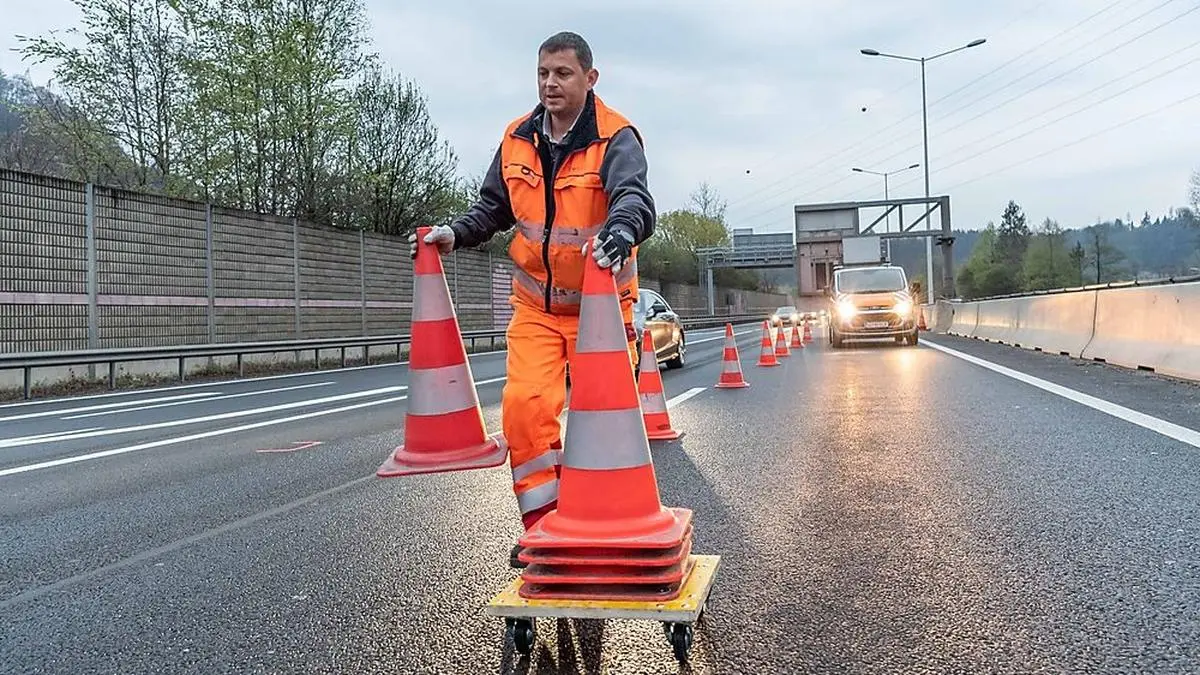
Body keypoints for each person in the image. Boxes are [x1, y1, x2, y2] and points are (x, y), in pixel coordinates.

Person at [409, 31, 656, 567]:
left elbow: (634, 199)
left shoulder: (616, 138)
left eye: (563, 73)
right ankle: (545, 529)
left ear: (590, 78)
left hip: (600, 314)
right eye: (543, 73)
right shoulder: (517, 138)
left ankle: (604, 524)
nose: (550, 83)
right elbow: (492, 209)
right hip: (537, 311)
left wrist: (620, 232)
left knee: (603, 423)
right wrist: (455, 233)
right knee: (523, 410)